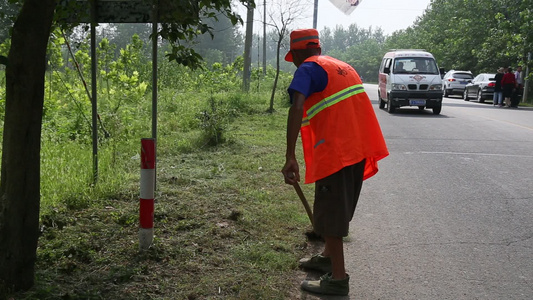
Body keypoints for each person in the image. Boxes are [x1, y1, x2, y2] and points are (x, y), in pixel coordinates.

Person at [281, 28, 389, 296]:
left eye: (293, 57)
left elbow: (296, 107)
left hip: (338, 152)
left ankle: (338, 280)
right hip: (357, 147)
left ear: (298, 53)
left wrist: (290, 156)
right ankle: (328, 257)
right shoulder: (341, 66)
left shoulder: (307, 69)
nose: (294, 62)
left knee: (330, 213)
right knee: (338, 207)